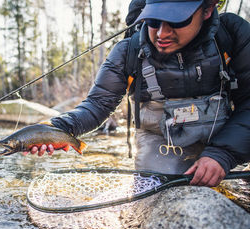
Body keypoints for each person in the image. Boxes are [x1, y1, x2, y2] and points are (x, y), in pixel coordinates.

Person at [24, 0, 250, 187]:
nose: (162, 33)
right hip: (160, 147)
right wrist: (56, 129)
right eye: (153, 20)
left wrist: (223, 154)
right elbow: (97, 106)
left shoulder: (232, 35)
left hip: (229, 141)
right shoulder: (128, 51)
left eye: (177, 20)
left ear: (208, 10)